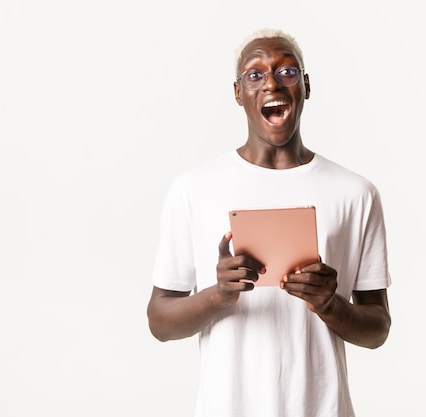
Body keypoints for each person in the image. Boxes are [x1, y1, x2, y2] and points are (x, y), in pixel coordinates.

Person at [147, 28, 392, 417]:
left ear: (306, 87)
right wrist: (218, 294)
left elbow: (377, 328)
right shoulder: (193, 188)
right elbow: (159, 321)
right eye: (255, 75)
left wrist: (329, 304)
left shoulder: (356, 193)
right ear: (238, 93)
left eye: (287, 72)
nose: (271, 83)